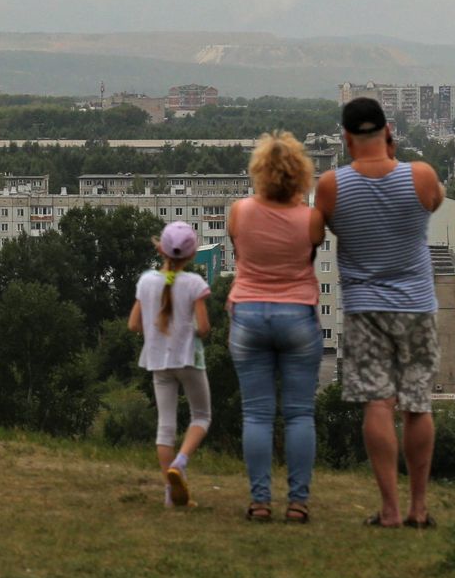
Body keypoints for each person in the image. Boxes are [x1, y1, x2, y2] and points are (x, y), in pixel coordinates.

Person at [311, 97, 444, 529]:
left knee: (377, 404)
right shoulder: (419, 175)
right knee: (418, 405)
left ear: (347, 138)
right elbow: (435, 201)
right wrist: (395, 157)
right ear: (388, 130)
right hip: (417, 306)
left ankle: (388, 509)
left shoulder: (331, 185)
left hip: (364, 308)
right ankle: (418, 509)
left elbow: (318, 230)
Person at [226, 131, 323, 523]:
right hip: (297, 315)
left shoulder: (240, 212)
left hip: (248, 315)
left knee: (257, 415)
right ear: (301, 174)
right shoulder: (311, 218)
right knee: (299, 414)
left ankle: (260, 501)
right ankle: (297, 502)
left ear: (259, 172)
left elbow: (239, 249)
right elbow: (309, 254)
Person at [127, 220, 212, 508]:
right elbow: (203, 328)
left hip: (158, 362)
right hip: (189, 359)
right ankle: (181, 461)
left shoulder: (146, 281)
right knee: (201, 416)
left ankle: (170, 494)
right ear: (191, 255)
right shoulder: (195, 284)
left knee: (165, 427)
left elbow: (133, 324)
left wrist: (157, 329)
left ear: (160, 249)